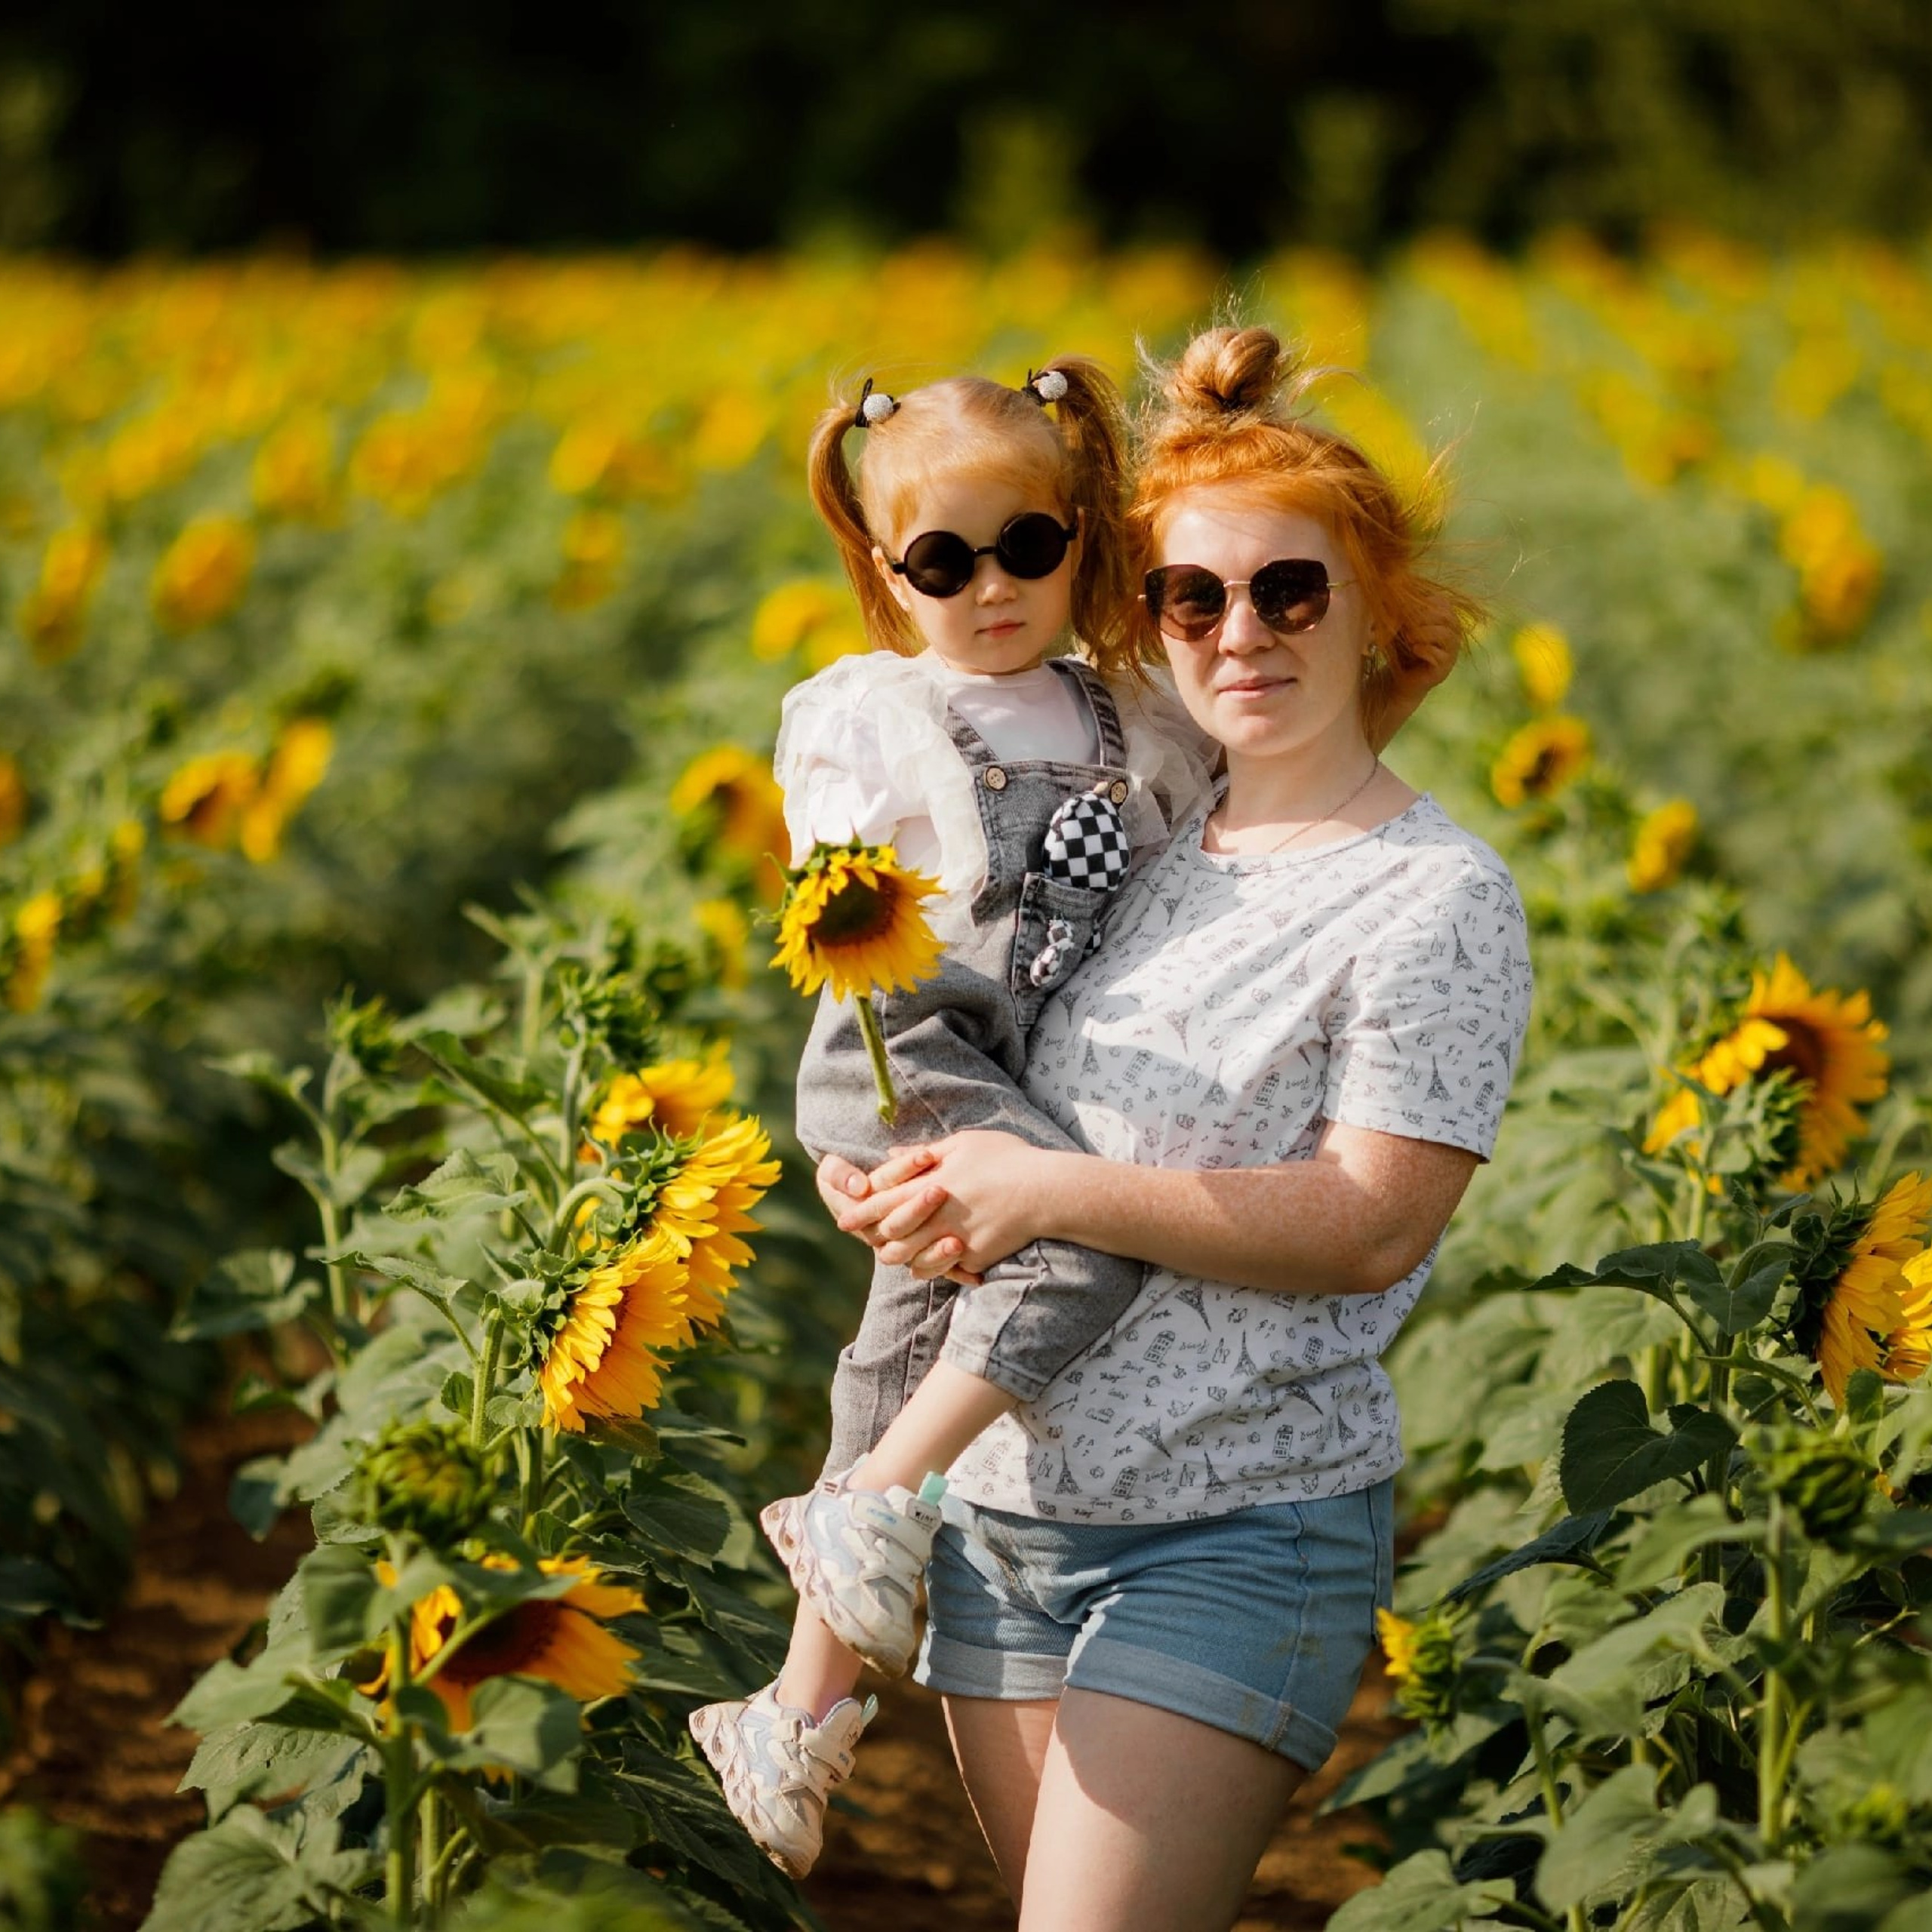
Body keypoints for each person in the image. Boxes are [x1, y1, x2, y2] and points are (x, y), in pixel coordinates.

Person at [814, 324, 1534, 1932]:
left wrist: (1046, 1185)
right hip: (995, 1514)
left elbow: (1368, 1225)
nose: (1237, 632)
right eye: (1189, 596)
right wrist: (912, 1183)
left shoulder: (1431, 898)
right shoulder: (1128, 827)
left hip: (1229, 1524)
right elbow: (974, 1067)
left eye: (1289, 590)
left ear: (1374, 611)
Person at [688, 358, 1219, 1877]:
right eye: (941, 560)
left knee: (901, 1344)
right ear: (882, 569)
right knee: (1078, 1246)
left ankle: (790, 1713)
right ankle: (867, 1499)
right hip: (900, 1038)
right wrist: (852, 1139)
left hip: (1015, 1069)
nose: (989, 587)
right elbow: (831, 908)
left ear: (1081, 532)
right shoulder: (874, 709)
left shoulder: (1134, 718)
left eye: (1027, 548)